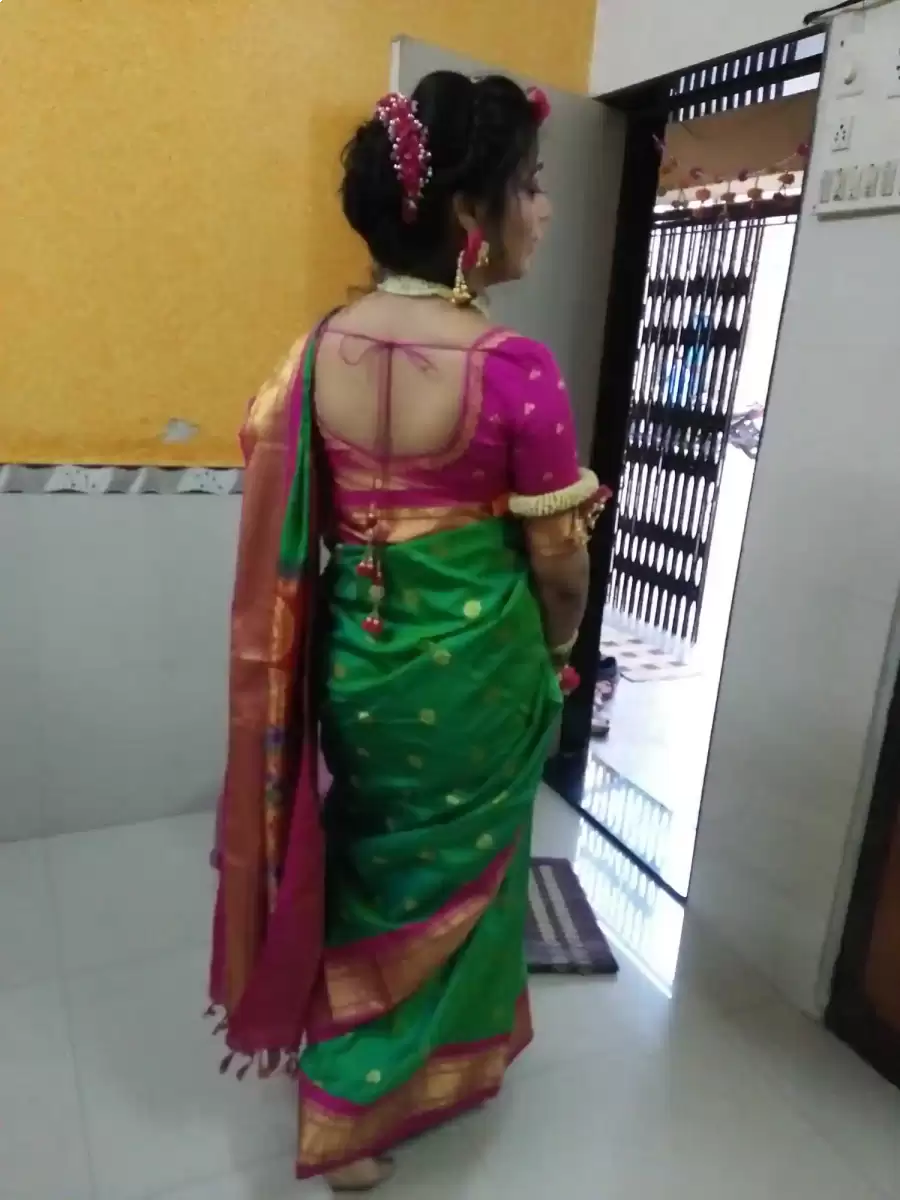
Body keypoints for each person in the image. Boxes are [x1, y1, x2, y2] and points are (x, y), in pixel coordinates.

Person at [208, 70, 607, 1192]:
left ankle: (352, 1061)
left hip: (357, 668)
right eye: (532, 185)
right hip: (477, 677)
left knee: (375, 860)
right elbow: (559, 563)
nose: (546, 209)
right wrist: (558, 654)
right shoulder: (515, 369)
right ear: (471, 215)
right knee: (460, 877)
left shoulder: (315, 352)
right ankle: (362, 1099)